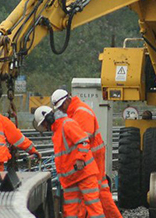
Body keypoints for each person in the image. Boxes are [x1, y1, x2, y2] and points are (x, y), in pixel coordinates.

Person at [52, 89, 121, 218]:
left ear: (68, 100)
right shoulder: (73, 112)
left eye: (62, 106)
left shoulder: (80, 112)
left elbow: (83, 140)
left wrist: (78, 158)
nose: (61, 109)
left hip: (91, 157)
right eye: (59, 108)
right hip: (89, 157)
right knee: (97, 192)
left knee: (96, 192)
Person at [34, 106, 105, 218]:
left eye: (44, 124)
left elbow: (84, 142)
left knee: (94, 208)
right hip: (70, 179)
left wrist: (80, 159)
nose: (44, 127)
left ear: (48, 119)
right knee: (70, 212)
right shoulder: (57, 131)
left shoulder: (67, 124)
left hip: (84, 175)